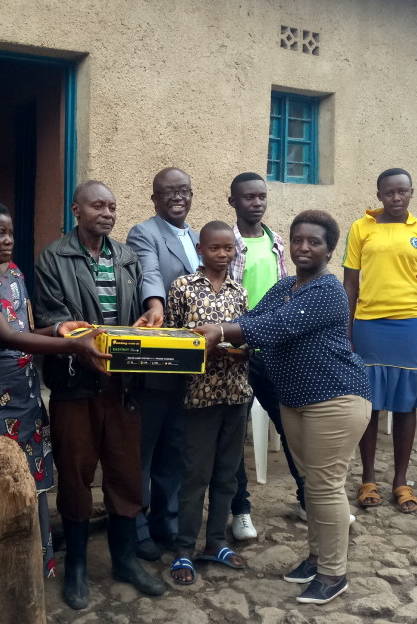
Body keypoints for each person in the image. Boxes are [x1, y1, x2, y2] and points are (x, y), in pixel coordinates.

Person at [0, 199, 107, 623]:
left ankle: (21, 577)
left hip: (23, 398)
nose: (8, 240)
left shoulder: (14, 275)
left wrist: (60, 328)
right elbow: (3, 336)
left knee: (27, 487)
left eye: (11, 232)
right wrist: (73, 346)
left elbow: (25, 331)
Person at [198, 210, 371, 605]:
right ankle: (317, 558)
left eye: (314, 242)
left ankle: (333, 573)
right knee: (312, 483)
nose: (303, 248)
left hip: (335, 398)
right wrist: (222, 336)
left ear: (329, 250)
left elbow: (278, 326)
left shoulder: (329, 290)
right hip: (295, 400)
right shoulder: (285, 286)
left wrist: (221, 333)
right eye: (297, 240)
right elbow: (253, 319)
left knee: (325, 485)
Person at [35, 180, 166, 610]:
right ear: (76, 210)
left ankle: (124, 560)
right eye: (97, 206)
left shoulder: (126, 257)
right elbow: (53, 317)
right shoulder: (53, 258)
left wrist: (149, 316)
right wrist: (86, 346)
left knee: (126, 473)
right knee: (75, 474)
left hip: (123, 385)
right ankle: (75, 566)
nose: (107, 213)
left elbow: (139, 311)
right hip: (76, 384)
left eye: (111, 206)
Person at [343, 168, 417, 514]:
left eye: (402, 191)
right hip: (369, 325)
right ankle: (368, 478)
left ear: (411, 192)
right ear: (379, 195)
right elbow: (350, 285)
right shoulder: (361, 228)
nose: (396, 198)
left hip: (410, 326)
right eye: (389, 192)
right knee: (369, 404)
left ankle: (400, 480)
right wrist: (346, 332)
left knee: (405, 404)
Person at [165, 221, 252, 585]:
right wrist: (198, 349)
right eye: (215, 248)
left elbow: (246, 337)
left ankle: (215, 541)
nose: (222, 254)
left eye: (228, 248)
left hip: (236, 392)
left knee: (227, 473)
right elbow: (171, 338)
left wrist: (239, 351)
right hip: (198, 396)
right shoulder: (183, 287)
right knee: (195, 474)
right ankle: (184, 549)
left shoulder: (239, 291)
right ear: (200, 250)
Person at [225, 171, 310, 539]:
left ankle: (309, 500)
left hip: (273, 352)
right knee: (234, 435)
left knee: (291, 428)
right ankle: (240, 511)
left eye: (261, 196)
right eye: (248, 197)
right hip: (235, 351)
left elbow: (287, 289)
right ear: (233, 202)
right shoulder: (225, 241)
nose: (256, 202)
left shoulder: (276, 241)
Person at [125, 167, 200, 560]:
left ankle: (166, 521)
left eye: (183, 190)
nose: (177, 197)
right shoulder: (145, 233)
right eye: (168, 192)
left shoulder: (200, 238)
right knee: (144, 446)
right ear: (154, 198)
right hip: (157, 358)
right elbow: (148, 272)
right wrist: (155, 305)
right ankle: (136, 525)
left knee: (176, 445)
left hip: (192, 362)